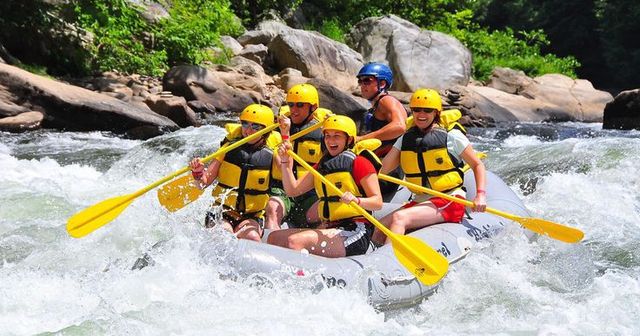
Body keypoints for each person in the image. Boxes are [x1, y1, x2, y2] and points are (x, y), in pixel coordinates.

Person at [371, 88, 487, 245]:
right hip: (421, 200)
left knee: (400, 218)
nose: (421, 114)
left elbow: (477, 164)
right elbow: (384, 169)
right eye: (417, 110)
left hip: (449, 199)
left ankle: (392, 262)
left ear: (436, 113)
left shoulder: (451, 136)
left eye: (427, 110)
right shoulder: (406, 139)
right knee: (378, 228)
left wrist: (480, 195)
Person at [267, 115, 383, 257]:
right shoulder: (322, 167)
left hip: (356, 230)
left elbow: (377, 202)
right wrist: (285, 163)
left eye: (336, 136)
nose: (330, 141)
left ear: (349, 139)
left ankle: (300, 278)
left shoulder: (360, 163)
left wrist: (357, 200)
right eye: (327, 136)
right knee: (274, 238)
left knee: (294, 241)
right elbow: (293, 190)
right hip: (331, 226)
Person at [189, 103, 279, 242]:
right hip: (222, 212)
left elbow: (287, 181)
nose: (248, 130)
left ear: (266, 130)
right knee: (223, 235)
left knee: (252, 237)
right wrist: (198, 172)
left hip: (251, 216)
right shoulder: (228, 149)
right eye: (245, 124)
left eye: (255, 126)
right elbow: (203, 183)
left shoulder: (272, 155)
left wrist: (285, 136)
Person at [264, 83, 329, 230]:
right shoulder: (276, 129)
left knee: (327, 214)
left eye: (300, 105)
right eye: (291, 104)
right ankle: (270, 247)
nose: (294, 110)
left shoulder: (324, 133)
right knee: (272, 210)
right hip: (281, 190)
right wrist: (285, 134)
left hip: (309, 193)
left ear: (313, 108)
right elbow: (281, 165)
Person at [355, 62, 407, 196]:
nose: (362, 85)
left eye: (367, 81)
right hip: (378, 169)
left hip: (388, 174)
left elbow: (399, 126)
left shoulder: (386, 101)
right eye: (360, 81)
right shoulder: (375, 106)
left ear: (382, 84)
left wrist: (362, 139)